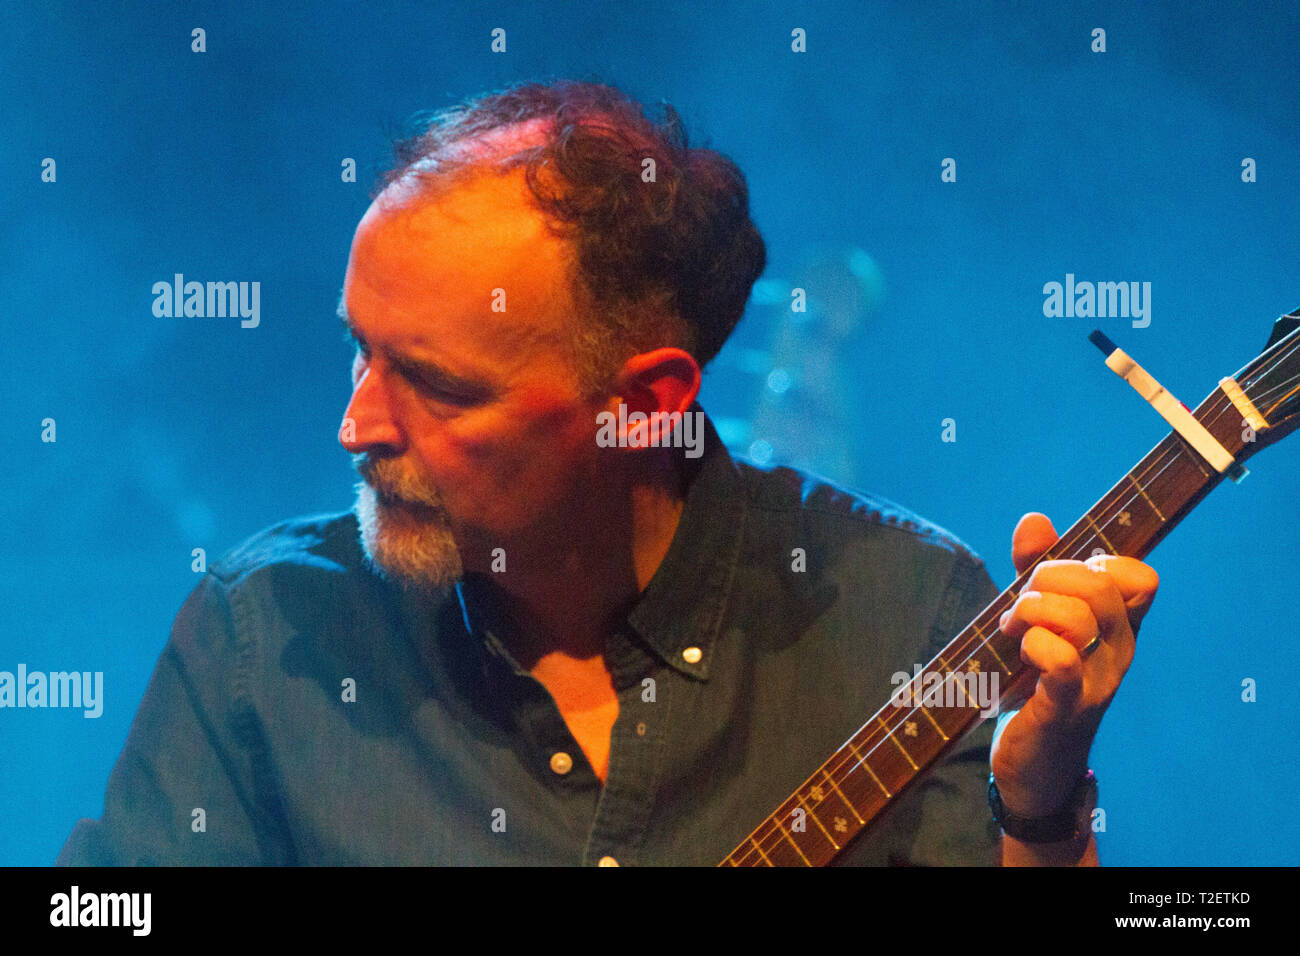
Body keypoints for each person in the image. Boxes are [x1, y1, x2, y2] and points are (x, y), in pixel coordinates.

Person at [56, 79, 1158, 866]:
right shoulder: (273, 634)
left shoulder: (904, 613)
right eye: (359, 348)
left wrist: (1042, 810)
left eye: (435, 384)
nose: (355, 426)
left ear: (644, 401)